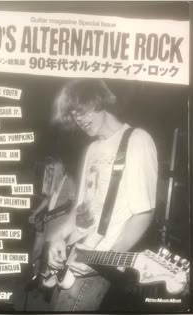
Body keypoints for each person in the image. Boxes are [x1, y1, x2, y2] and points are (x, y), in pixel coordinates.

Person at [47, 79, 158, 311]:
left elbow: (144, 213)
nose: (80, 120)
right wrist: (59, 237)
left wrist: (103, 260)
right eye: (74, 115)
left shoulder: (137, 140)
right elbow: (82, 207)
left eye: (83, 110)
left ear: (99, 101)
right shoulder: (93, 148)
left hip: (99, 262)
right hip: (75, 251)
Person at [29, 157, 76, 276]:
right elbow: (48, 199)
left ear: (58, 169)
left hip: (59, 224)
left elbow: (71, 203)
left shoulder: (68, 180)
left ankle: (44, 280)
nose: (49, 172)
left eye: (51, 169)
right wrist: (35, 213)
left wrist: (51, 214)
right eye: (48, 170)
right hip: (48, 222)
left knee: (50, 255)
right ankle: (35, 274)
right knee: (37, 251)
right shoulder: (55, 182)